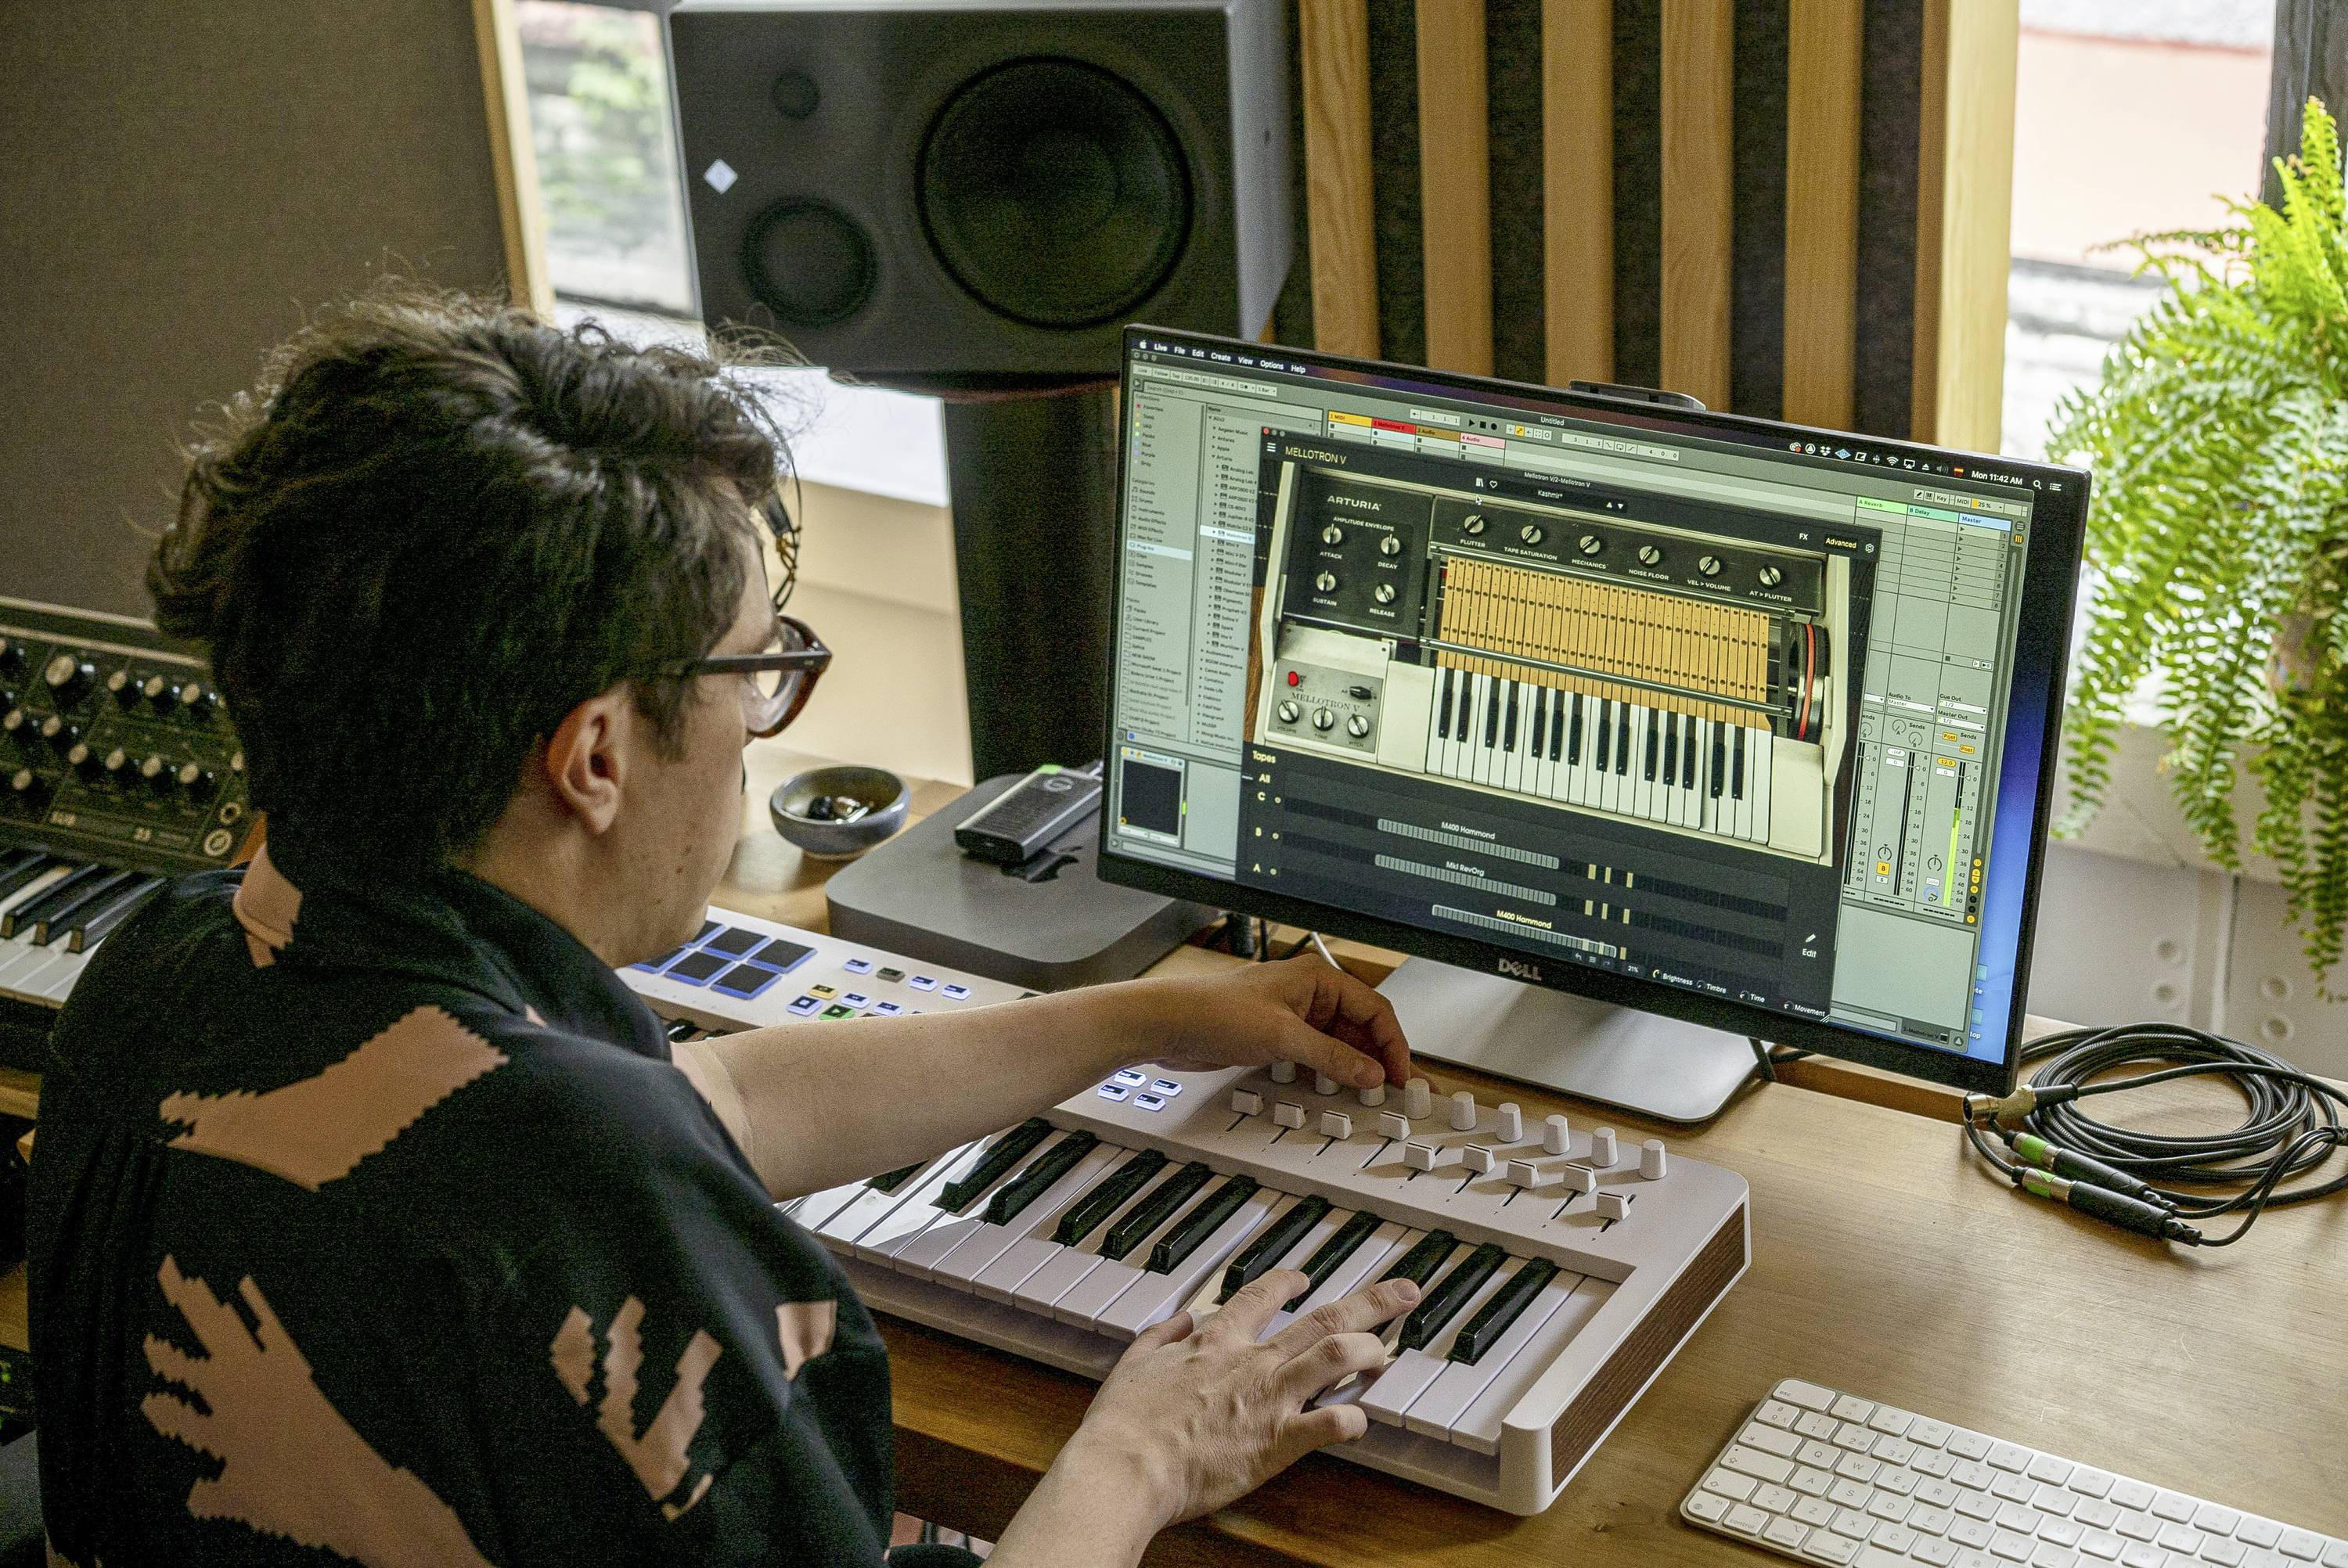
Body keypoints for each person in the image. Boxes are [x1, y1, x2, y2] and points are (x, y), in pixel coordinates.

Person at [25, 293, 1426, 1567]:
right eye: (758, 671)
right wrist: (1143, 1453)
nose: (760, 723)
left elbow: (715, 1100)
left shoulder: (174, 972)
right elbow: (630, 1159)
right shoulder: (593, 1189)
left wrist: (1143, 1018)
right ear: (592, 758)